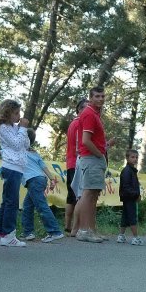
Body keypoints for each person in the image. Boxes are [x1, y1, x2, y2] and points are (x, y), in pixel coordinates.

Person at [0, 99, 30, 247]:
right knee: (12, 202)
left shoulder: (15, 128)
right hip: (11, 167)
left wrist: (22, 129)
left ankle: (0, 234)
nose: (18, 115)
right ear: (6, 113)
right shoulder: (3, 128)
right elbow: (16, 145)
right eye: (16, 113)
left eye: (19, 112)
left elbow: (26, 144)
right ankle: (9, 234)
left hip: (17, 167)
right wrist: (23, 129)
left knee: (7, 201)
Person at [75, 86, 108, 243]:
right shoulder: (89, 114)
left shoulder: (95, 114)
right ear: (90, 98)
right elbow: (85, 141)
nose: (100, 99)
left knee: (94, 195)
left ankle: (91, 230)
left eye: (102, 96)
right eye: (97, 96)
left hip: (94, 158)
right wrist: (99, 155)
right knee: (88, 194)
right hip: (91, 158)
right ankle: (83, 231)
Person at [19, 129, 64, 243]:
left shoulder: (18, 151)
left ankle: (55, 232)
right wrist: (52, 179)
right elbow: (44, 167)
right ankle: (28, 233)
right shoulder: (34, 153)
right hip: (40, 179)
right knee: (27, 206)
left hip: (33, 181)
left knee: (41, 206)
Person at [64, 98, 88, 234]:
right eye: (86, 107)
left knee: (71, 196)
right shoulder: (79, 123)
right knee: (79, 196)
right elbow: (81, 144)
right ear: (79, 109)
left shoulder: (72, 123)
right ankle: (76, 228)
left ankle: (68, 226)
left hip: (71, 162)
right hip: (78, 163)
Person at [118, 149, 143, 245]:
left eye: (136, 157)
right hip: (129, 197)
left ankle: (121, 236)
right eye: (132, 157)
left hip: (128, 197)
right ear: (127, 158)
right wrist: (136, 195)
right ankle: (136, 238)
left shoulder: (132, 171)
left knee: (125, 217)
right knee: (132, 217)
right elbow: (126, 187)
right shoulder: (127, 171)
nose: (135, 159)